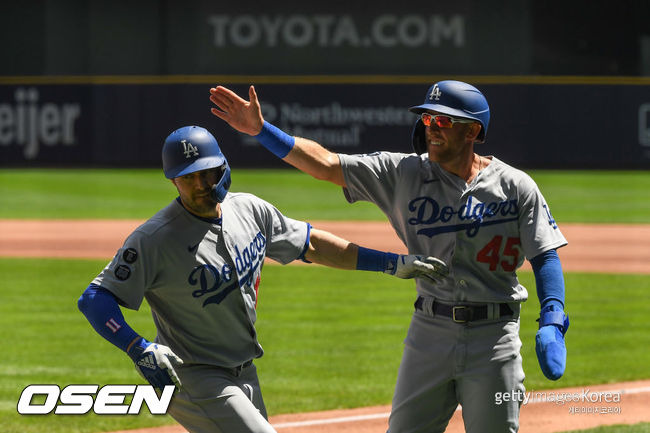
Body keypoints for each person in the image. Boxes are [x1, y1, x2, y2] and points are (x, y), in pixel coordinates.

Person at [209, 80, 570, 433]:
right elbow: (327, 164)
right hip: (430, 333)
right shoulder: (401, 173)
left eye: (444, 121)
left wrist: (552, 317)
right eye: (428, 120)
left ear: (472, 130)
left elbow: (544, 255)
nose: (433, 129)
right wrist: (261, 130)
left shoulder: (516, 185)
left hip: (495, 337)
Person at [77, 125, 448, 433]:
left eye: (209, 171)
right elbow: (94, 298)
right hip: (194, 378)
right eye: (189, 178)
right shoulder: (154, 239)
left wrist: (391, 263)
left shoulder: (250, 209)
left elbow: (313, 245)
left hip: (244, 371)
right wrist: (136, 346)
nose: (203, 183)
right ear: (174, 181)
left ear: (224, 166)